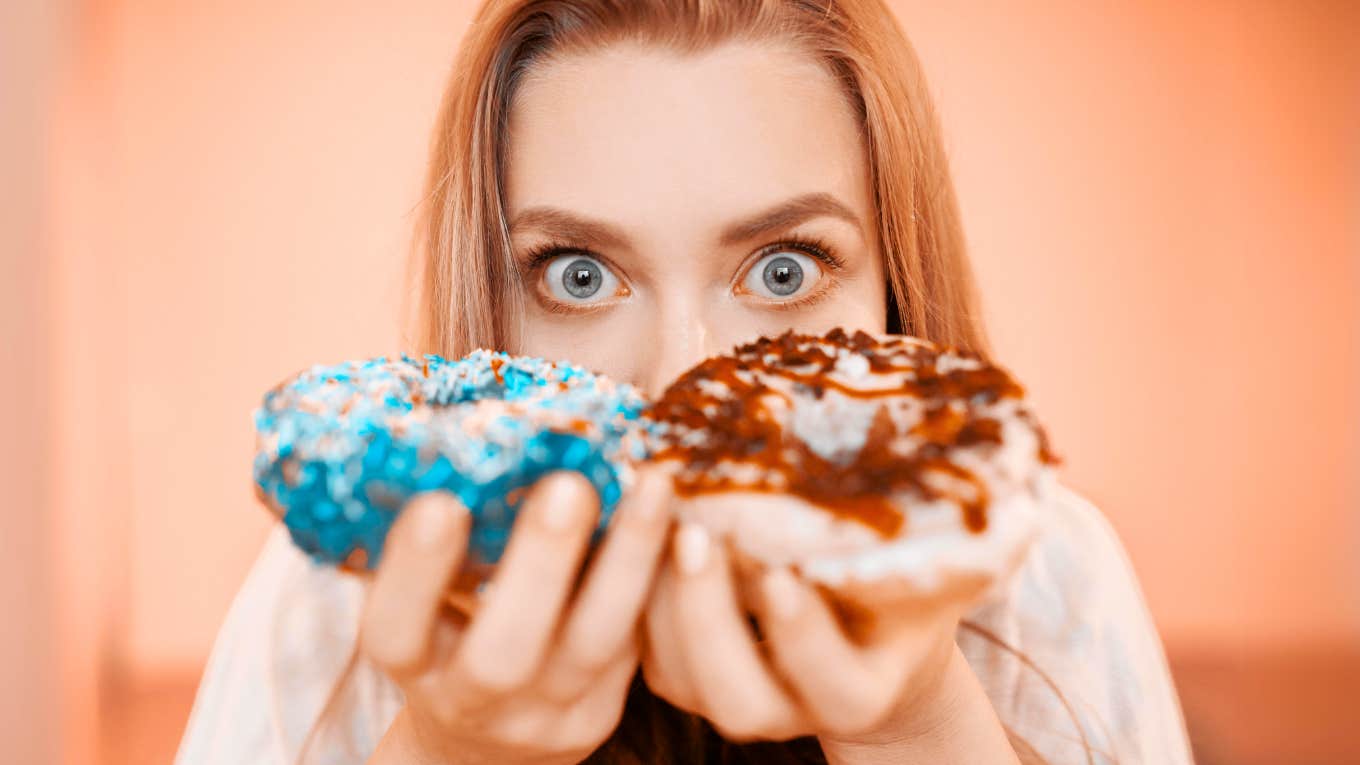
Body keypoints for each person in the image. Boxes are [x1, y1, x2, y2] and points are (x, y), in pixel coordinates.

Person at [176, 1, 1194, 762]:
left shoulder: (1047, 580)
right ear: (490, 308)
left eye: (783, 270)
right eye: (579, 276)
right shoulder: (331, 607)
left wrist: (919, 724)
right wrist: (448, 749)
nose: (683, 381)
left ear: (896, 292)